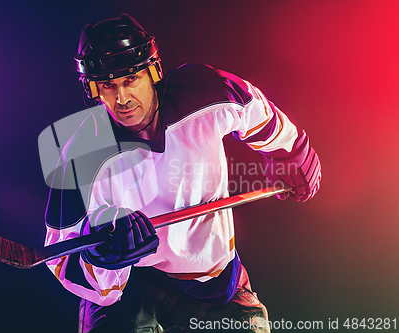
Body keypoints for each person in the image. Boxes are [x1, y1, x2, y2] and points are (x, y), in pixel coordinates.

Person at [42, 14, 321, 333]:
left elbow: (259, 112)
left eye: (130, 79)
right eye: (108, 85)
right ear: (92, 89)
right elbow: (59, 255)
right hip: (126, 290)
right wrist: (102, 258)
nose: (121, 99)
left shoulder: (205, 92)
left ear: (153, 71)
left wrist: (292, 153)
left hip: (211, 280)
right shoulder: (79, 156)